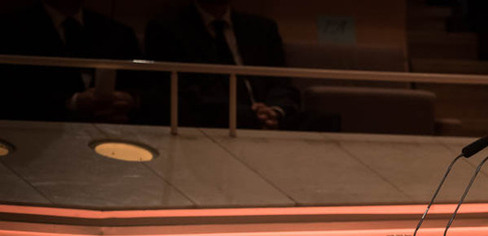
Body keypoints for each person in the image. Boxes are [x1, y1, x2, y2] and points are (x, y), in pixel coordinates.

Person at [143, 0, 299, 129]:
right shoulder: (167, 28)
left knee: (319, 121)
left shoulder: (262, 28)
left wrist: (275, 110)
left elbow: (281, 81)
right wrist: (247, 114)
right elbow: (178, 89)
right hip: (212, 121)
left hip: (270, 117)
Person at [0, 0, 142, 122]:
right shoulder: (10, 30)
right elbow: (10, 95)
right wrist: (71, 103)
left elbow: (145, 88)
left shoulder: (119, 33)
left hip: (111, 137)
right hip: (33, 137)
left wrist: (129, 100)